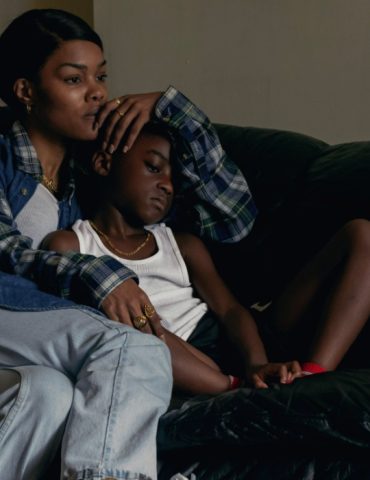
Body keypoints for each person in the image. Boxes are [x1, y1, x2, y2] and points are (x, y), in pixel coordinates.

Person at [0, 8, 256, 480]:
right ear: (26, 91)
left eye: (101, 77)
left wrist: (170, 105)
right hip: (8, 312)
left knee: (47, 394)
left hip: (35, 342)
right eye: (74, 79)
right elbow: (6, 250)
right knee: (133, 350)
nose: (97, 92)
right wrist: (94, 275)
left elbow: (232, 220)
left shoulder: (95, 173)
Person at [44, 121, 370, 396]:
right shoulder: (71, 244)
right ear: (104, 164)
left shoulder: (180, 243)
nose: (167, 186)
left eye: (174, 179)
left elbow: (229, 310)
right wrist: (229, 380)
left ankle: (311, 379)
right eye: (153, 167)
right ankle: (235, 388)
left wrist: (256, 363)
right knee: (130, 326)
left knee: (361, 233)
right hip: (175, 356)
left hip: (246, 341)